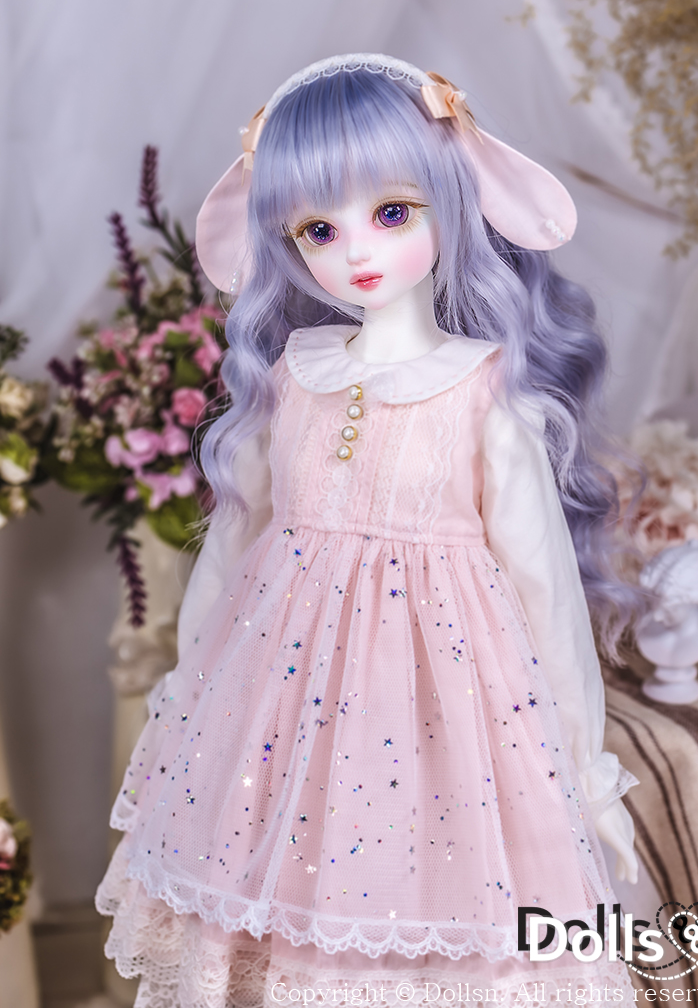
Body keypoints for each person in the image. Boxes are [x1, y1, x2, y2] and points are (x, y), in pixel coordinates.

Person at [96, 54, 642, 1006]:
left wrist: (587, 774)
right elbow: (229, 551)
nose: (356, 250)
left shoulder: (486, 397)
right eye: (319, 228)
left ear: (450, 201)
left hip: (447, 727)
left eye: (392, 212)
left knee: (425, 931)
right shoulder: (292, 380)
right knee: (272, 927)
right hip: (277, 725)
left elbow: (547, 599)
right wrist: (188, 693)